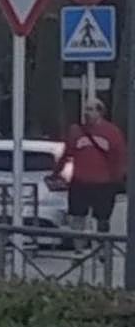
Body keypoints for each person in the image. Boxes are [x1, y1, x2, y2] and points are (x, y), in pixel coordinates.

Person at [50, 97, 127, 243]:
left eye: (90, 109)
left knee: (103, 218)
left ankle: (102, 247)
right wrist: (56, 173)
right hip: (80, 182)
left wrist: (117, 179)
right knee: (77, 216)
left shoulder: (112, 132)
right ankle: (79, 249)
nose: (86, 113)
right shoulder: (76, 131)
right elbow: (67, 154)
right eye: (86, 109)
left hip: (103, 183)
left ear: (100, 112)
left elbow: (119, 156)